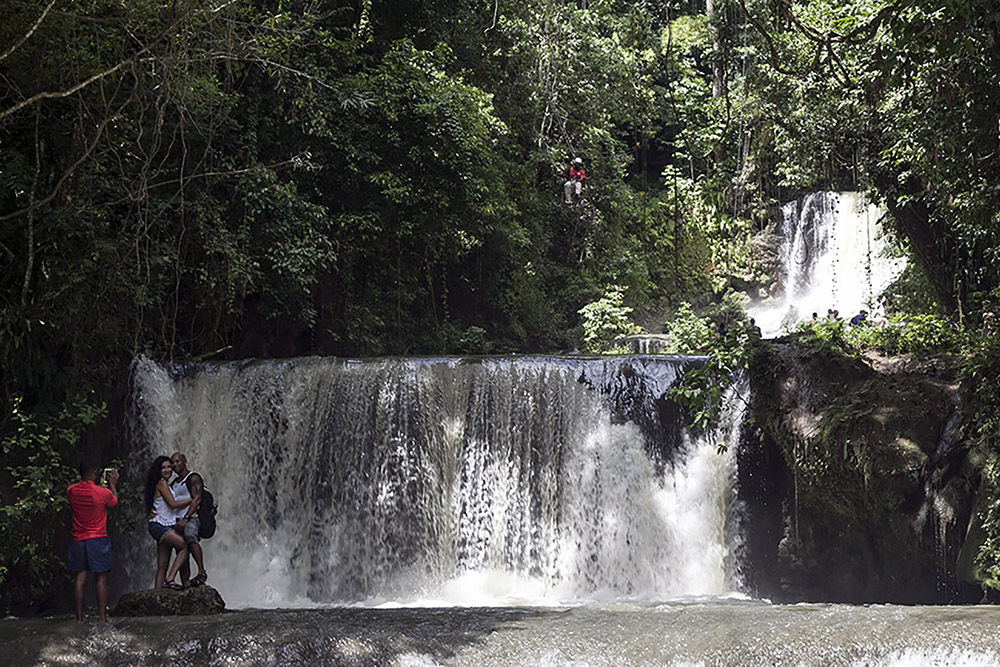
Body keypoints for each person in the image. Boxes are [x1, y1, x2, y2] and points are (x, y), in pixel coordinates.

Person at [67, 460, 118, 622]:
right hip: (97, 539)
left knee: (80, 578)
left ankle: (79, 617)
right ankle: (102, 617)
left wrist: (101, 488)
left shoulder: (71, 490)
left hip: (78, 539)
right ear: (95, 472)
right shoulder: (102, 493)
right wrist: (112, 484)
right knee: (101, 577)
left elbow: (92, 496)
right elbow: (114, 501)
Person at [144, 455, 191, 590]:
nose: (167, 470)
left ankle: (157, 595)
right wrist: (192, 500)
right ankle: (170, 579)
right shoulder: (162, 483)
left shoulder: (165, 484)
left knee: (162, 565)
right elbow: (173, 504)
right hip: (160, 526)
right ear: (158, 470)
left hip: (162, 525)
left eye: (169, 467)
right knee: (184, 547)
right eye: (163, 468)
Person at [170, 452, 209, 587]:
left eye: (178, 461)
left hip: (191, 517)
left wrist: (187, 517)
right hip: (177, 520)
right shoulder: (174, 483)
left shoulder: (193, 478)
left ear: (185, 461)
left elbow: (197, 498)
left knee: (190, 536)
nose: (175, 465)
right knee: (181, 550)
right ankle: (185, 583)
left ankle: (201, 571)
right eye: (173, 463)